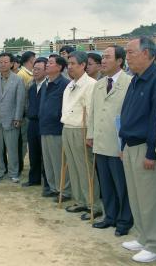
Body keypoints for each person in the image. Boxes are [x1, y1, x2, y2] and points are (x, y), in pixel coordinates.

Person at [119, 36, 156, 263]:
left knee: (150, 200)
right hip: (129, 146)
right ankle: (143, 237)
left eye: (131, 53)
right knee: (137, 197)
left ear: (148, 54)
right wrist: (122, 145)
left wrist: (152, 153)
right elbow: (126, 115)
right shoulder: (135, 79)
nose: (127, 57)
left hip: (145, 149)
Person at [86, 45, 133, 237]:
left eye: (107, 57)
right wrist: (90, 134)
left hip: (118, 144)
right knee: (106, 184)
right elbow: (93, 112)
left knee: (121, 185)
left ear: (120, 61)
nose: (103, 61)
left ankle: (124, 221)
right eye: (102, 57)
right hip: (100, 142)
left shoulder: (129, 82)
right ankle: (110, 216)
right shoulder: (99, 84)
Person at [61, 51, 102, 221]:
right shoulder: (70, 84)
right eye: (68, 63)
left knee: (85, 168)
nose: (69, 66)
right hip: (68, 128)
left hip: (81, 129)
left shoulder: (91, 84)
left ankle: (94, 204)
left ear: (83, 65)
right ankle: (80, 200)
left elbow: (92, 112)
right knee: (73, 167)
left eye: (73, 63)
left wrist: (90, 134)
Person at [0, 52, 25, 183]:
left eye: (6, 62)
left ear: (12, 63)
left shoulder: (18, 80)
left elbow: (20, 101)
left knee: (12, 148)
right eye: (0, 62)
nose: (3, 64)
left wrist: (18, 118)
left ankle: (14, 173)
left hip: (12, 120)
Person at [39, 54, 71, 202]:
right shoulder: (46, 83)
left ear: (59, 67)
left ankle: (63, 190)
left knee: (59, 162)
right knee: (49, 161)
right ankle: (53, 188)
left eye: (50, 63)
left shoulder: (65, 84)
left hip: (57, 128)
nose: (47, 65)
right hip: (44, 127)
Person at [22, 57, 48, 190]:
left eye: (38, 69)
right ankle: (34, 178)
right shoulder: (32, 87)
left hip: (44, 123)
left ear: (46, 70)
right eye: (34, 69)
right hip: (32, 123)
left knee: (46, 154)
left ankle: (48, 182)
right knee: (33, 152)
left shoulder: (49, 86)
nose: (35, 72)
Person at [16, 51, 36, 174]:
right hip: (25, 115)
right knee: (23, 142)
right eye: (35, 59)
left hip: (29, 114)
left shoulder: (28, 74)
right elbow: (21, 97)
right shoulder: (22, 74)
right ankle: (19, 165)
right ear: (30, 60)